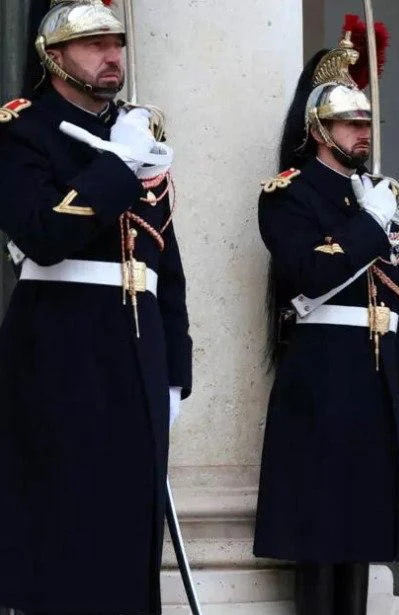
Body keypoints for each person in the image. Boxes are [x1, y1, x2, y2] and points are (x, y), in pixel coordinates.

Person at [0, 1, 191, 613]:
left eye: (117, 43)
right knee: (67, 517)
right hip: (61, 344)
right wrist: (116, 167)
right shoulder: (23, 130)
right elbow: (43, 235)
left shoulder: (137, 131)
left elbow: (164, 264)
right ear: (53, 56)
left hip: (138, 347)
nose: (112, 57)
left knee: (131, 527)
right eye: (94, 45)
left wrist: (176, 370)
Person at [252, 19, 399, 615]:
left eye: (366, 122)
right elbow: (309, 272)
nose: (363, 132)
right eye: (351, 123)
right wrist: (370, 223)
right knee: (322, 526)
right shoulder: (288, 193)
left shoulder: (380, 192)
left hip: (381, 370)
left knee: (366, 527)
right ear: (318, 129)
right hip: (324, 369)